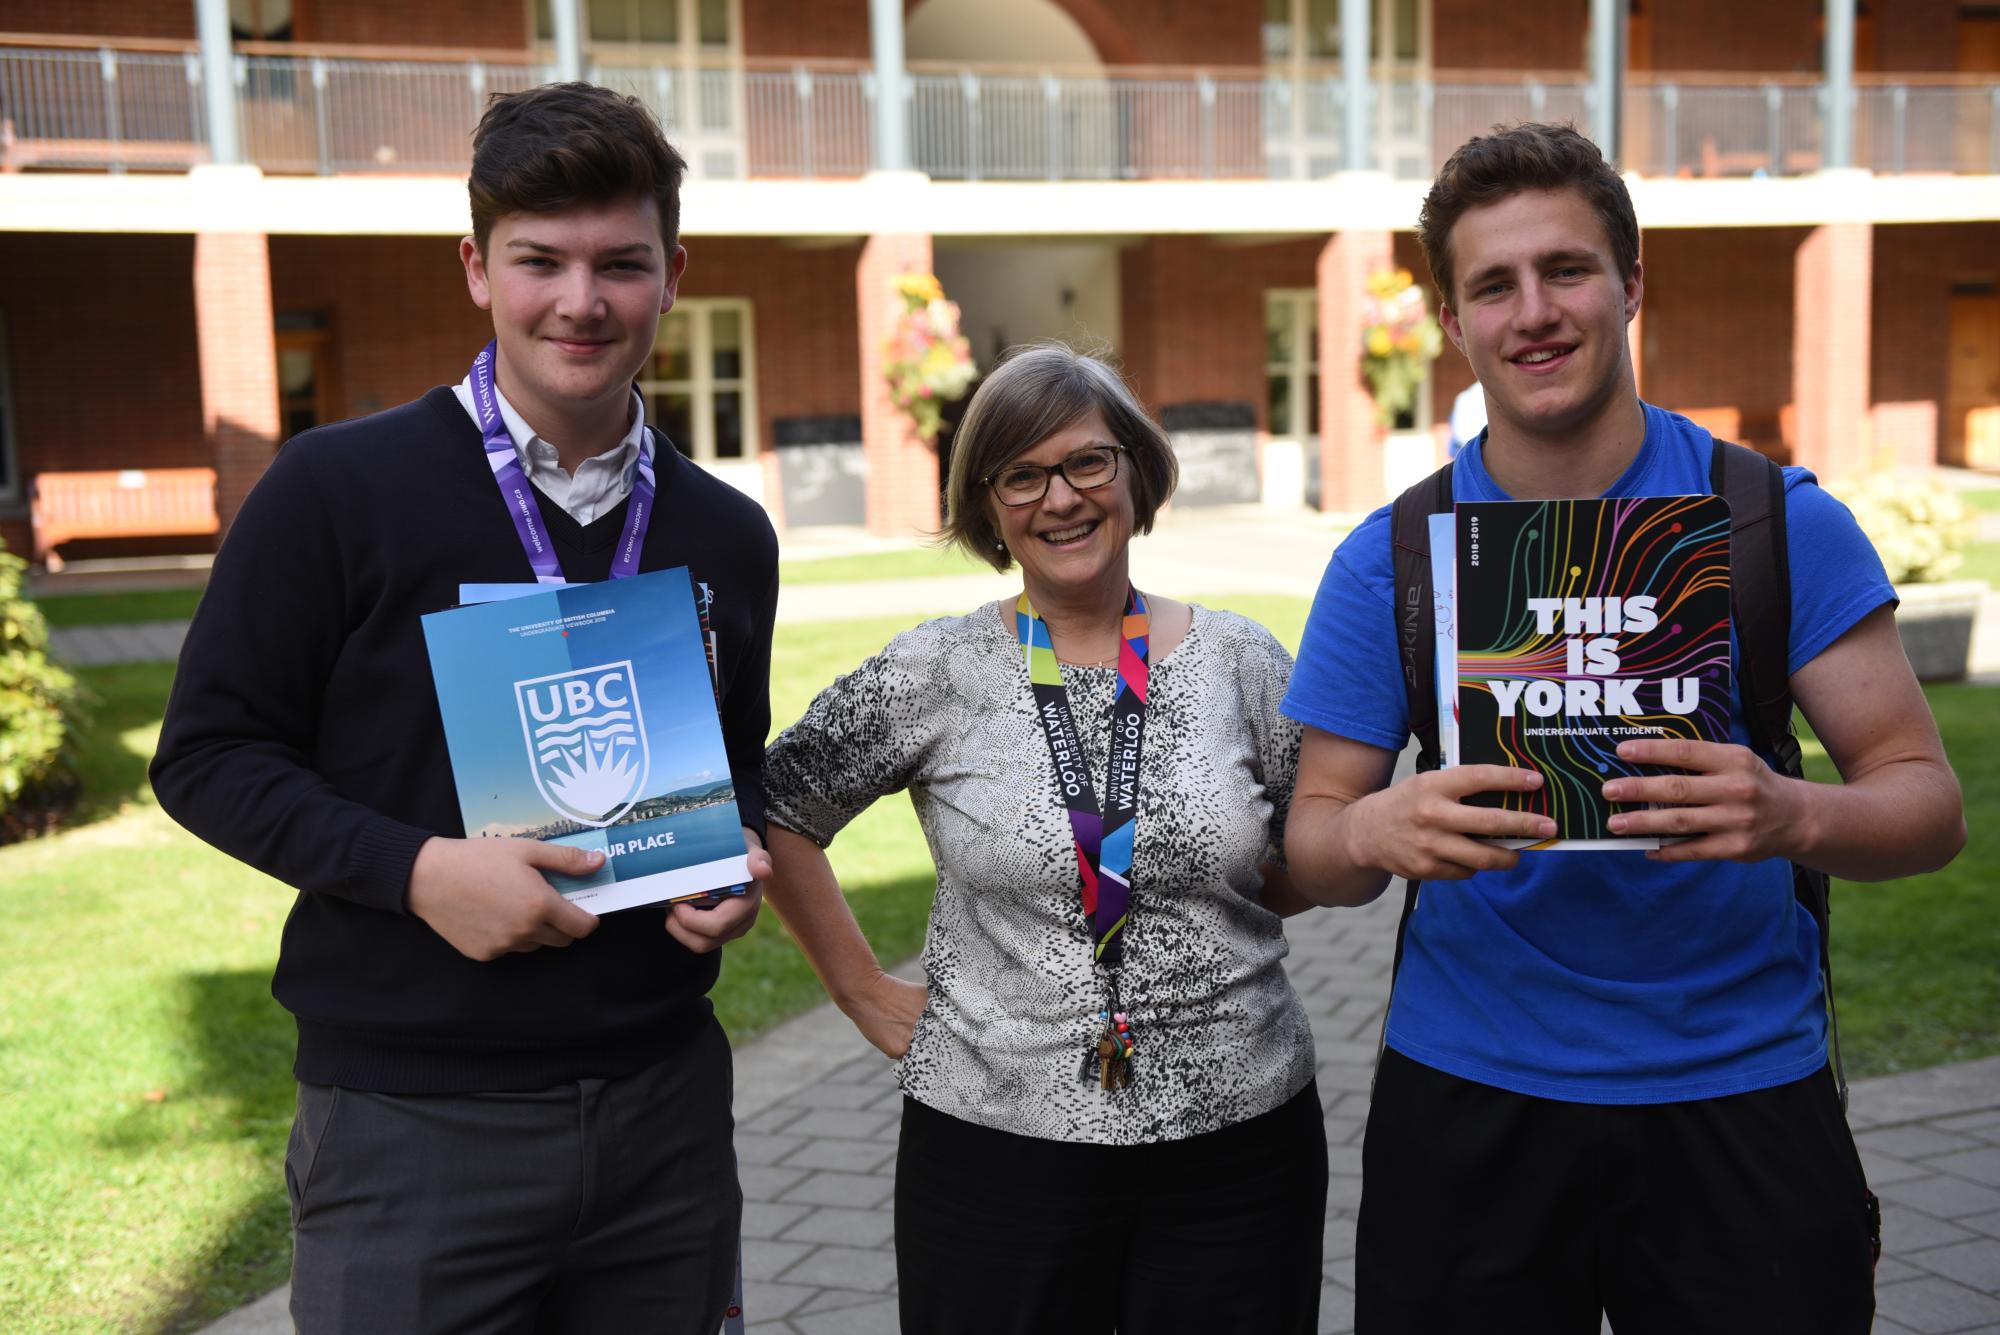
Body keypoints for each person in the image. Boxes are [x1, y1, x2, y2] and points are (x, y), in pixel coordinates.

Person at [1281, 123, 1965, 1335]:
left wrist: (1792, 812)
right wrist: (1378, 827)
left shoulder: (1769, 521)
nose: (1531, 312)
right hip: (1471, 1093)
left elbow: (1924, 803)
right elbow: (1307, 851)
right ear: (1451, 321)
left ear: (1631, 282)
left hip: (1739, 1086)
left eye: (1566, 270)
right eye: (1491, 285)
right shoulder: (1394, 560)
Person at [150, 83, 776, 1334]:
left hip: (664, 1113)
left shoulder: (723, 530)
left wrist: (733, 864)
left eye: (620, 264)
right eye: (538, 260)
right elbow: (207, 756)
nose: (581, 301)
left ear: (672, 274)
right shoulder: (337, 488)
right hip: (412, 1126)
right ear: (476, 269)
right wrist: (420, 869)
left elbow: (734, 761)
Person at [760, 344, 1327, 1335]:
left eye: (1087, 463)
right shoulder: (938, 669)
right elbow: (778, 805)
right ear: (986, 505)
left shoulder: (1243, 661)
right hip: (996, 1144)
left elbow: (1308, 846)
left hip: (1236, 1140)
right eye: (1020, 475)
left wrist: (1210, 878)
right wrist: (854, 986)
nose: (1059, 498)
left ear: (1136, 471)